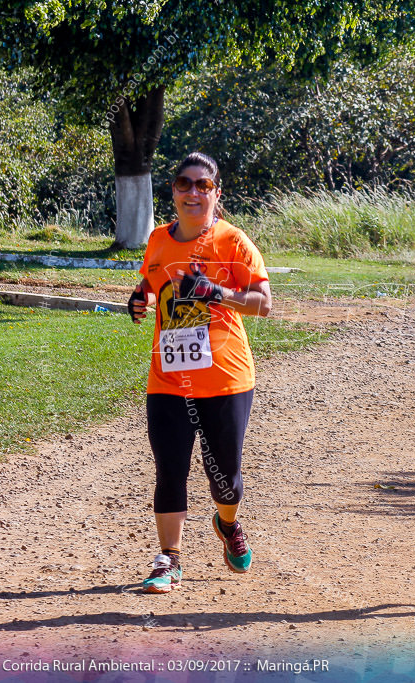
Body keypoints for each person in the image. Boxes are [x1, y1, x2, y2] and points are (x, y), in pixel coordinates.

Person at [128, 152, 272, 593]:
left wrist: (217, 291)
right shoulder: (157, 240)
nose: (193, 192)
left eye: (203, 185)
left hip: (225, 376)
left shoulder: (233, 242)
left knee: (225, 479)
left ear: (216, 192)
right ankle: (168, 558)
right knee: (170, 468)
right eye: (184, 184)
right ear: (173, 190)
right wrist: (141, 302)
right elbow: (151, 287)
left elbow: (264, 304)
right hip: (168, 376)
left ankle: (227, 524)